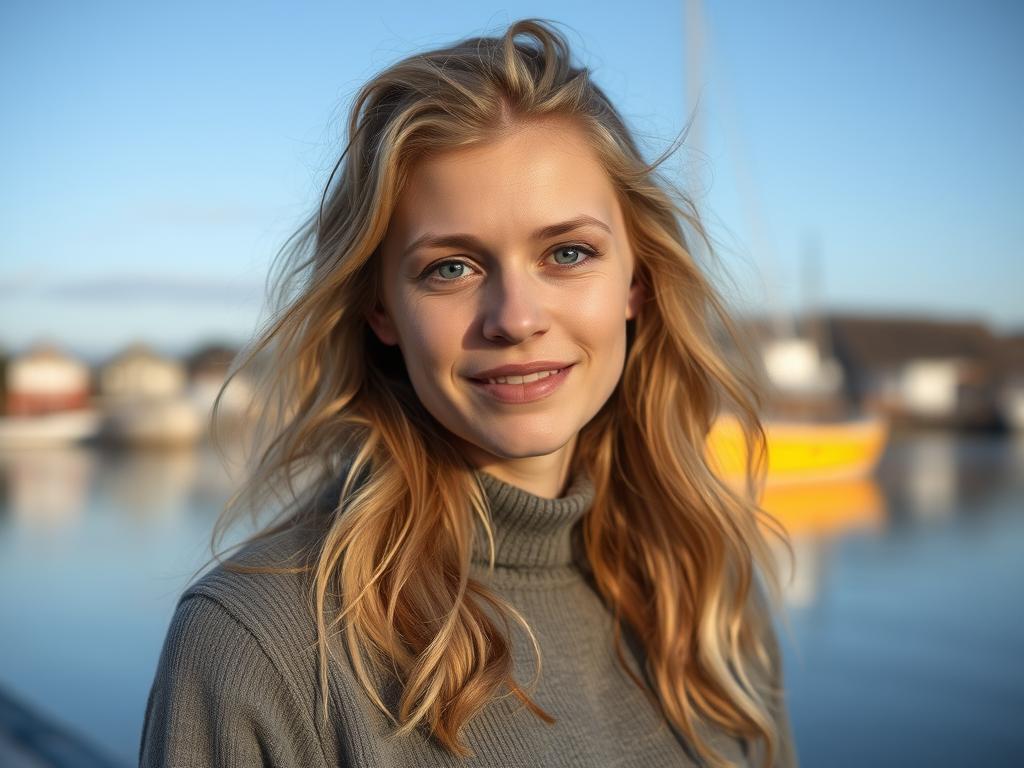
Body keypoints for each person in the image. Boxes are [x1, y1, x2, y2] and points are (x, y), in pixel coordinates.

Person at [139, 17, 798, 768]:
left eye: (568, 253)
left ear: (636, 283)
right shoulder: (261, 642)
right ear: (380, 308)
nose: (516, 318)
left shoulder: (707, 593)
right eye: (450, 268)